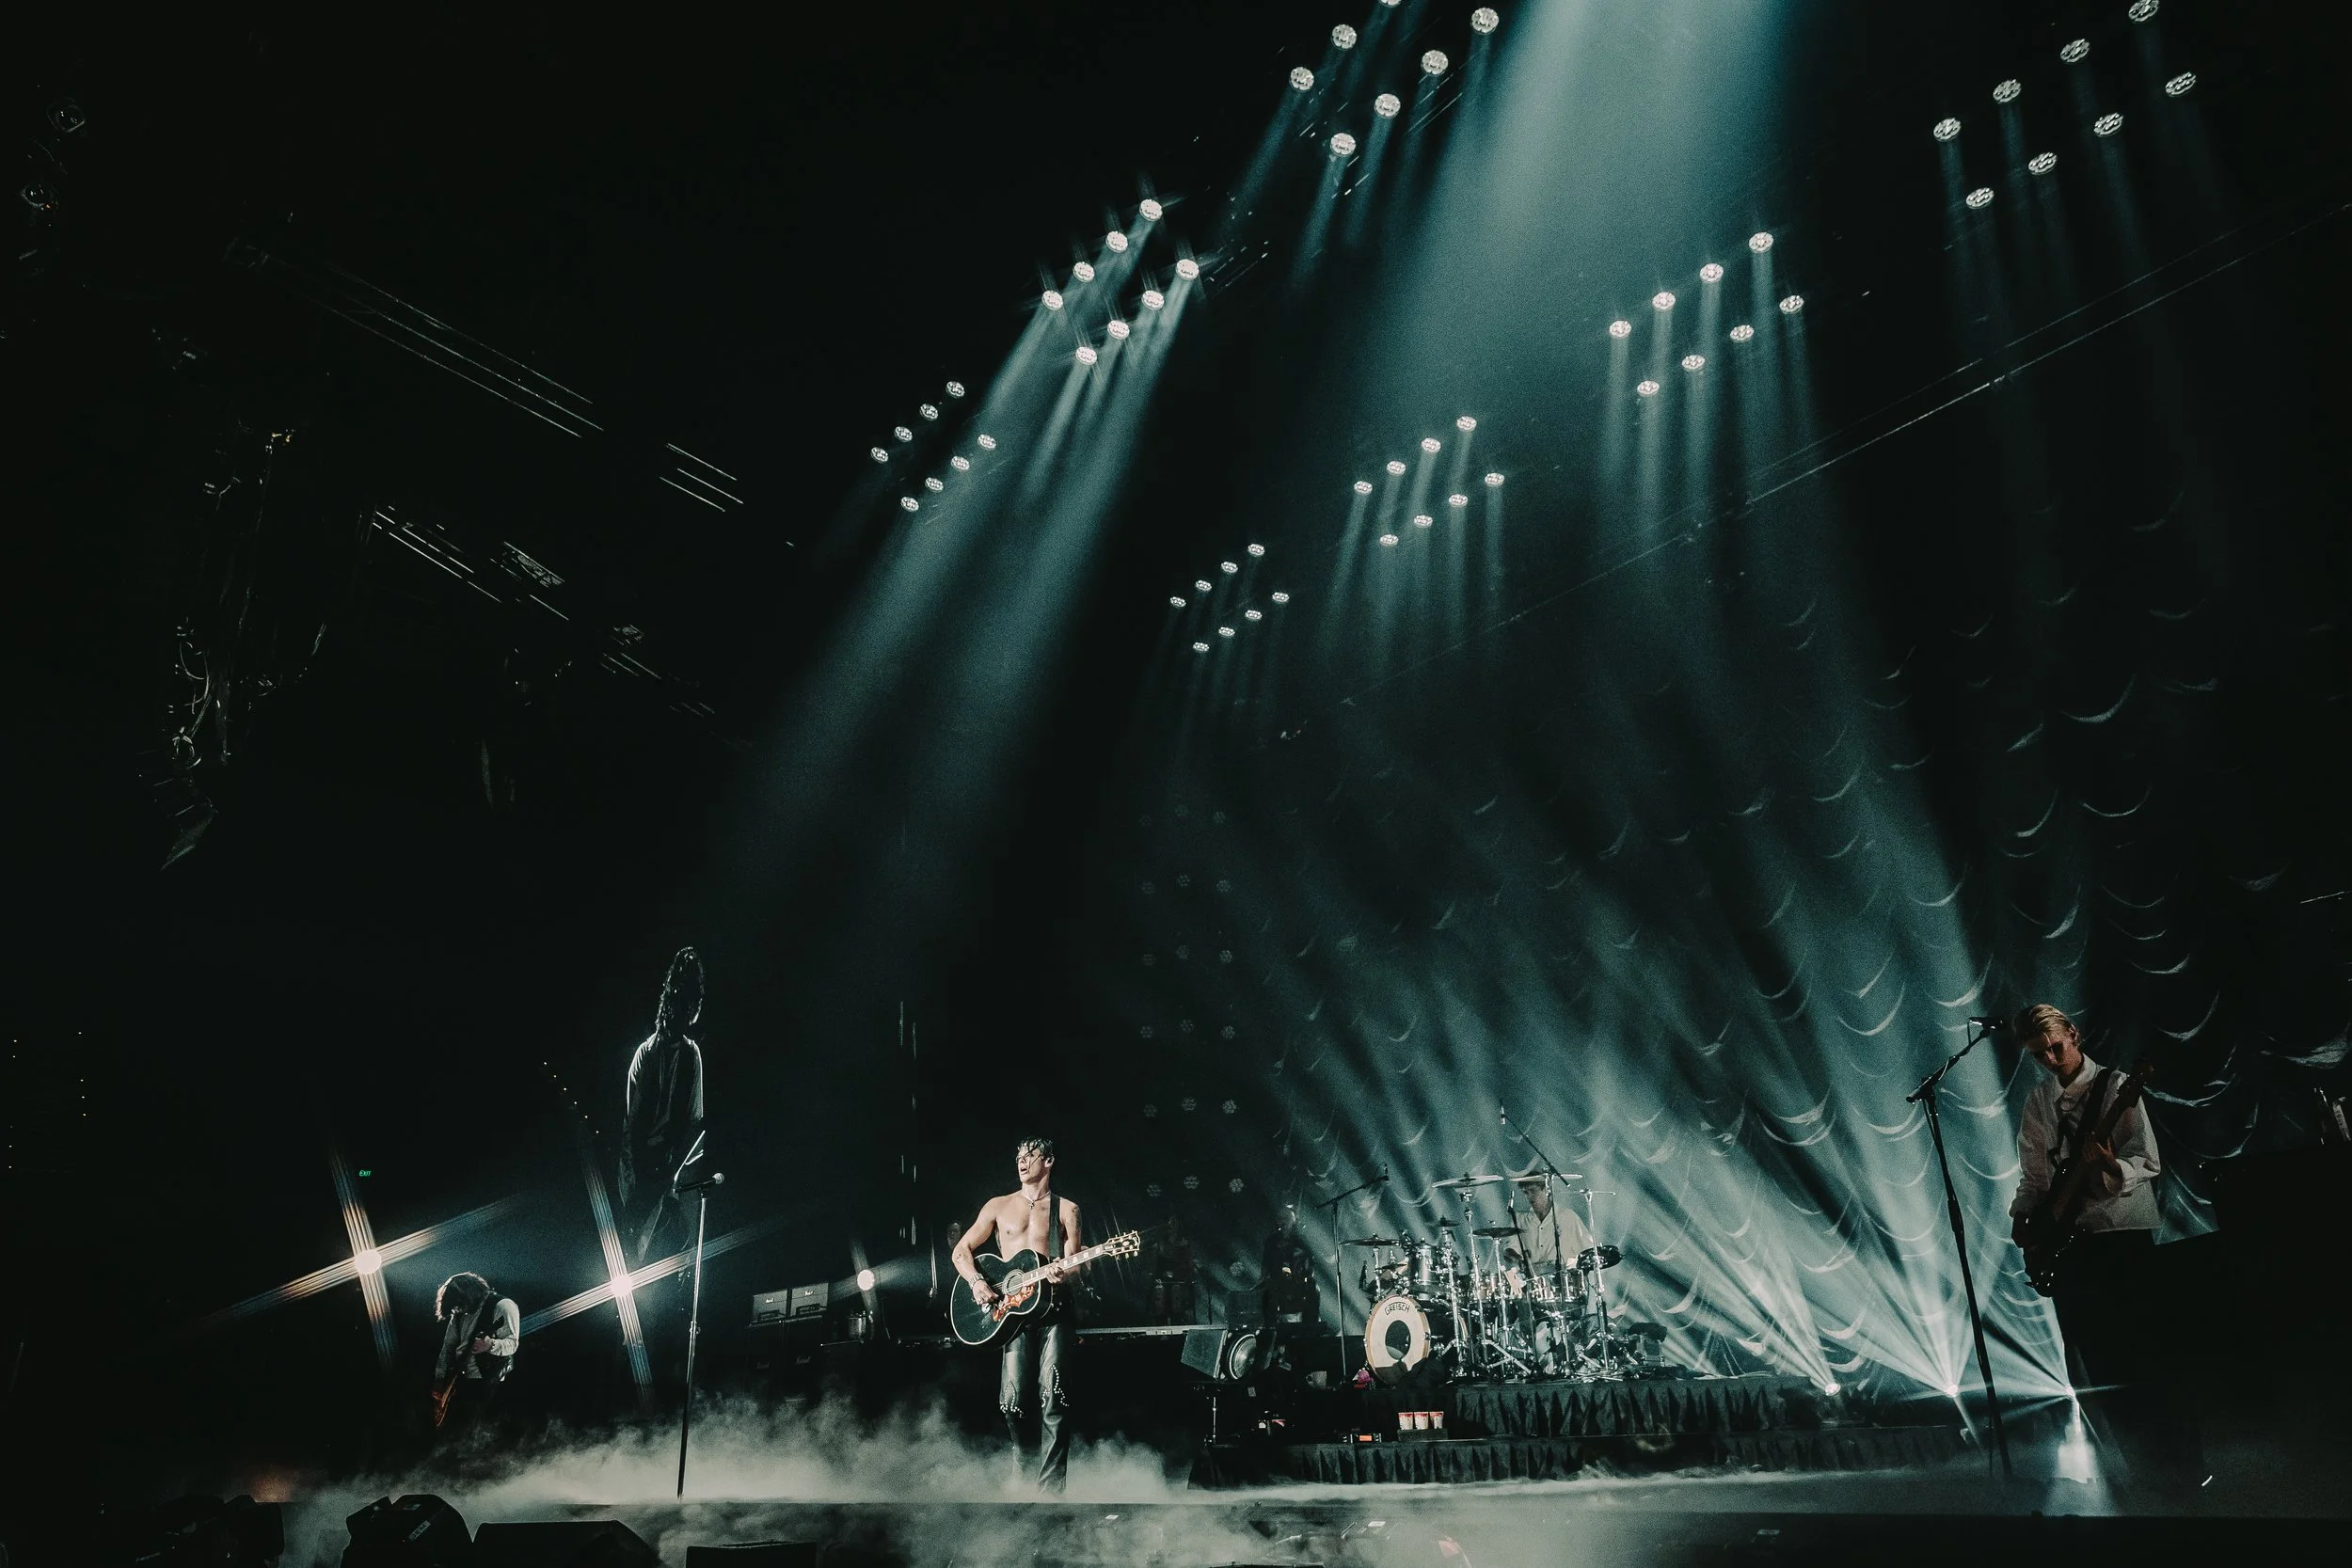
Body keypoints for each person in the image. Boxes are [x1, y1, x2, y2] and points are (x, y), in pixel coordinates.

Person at [2005, 1002, 2198, 1484]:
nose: (2050, 1060)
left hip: (2121, 1237)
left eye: (2055, 1048)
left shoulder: (2116, 1087)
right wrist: (2024, 1218)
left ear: (2073, 1034)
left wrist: (2112, 1166)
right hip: (2072, 1249)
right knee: (2097, 1366)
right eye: (2039, 1054)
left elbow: (2146, 1160)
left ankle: (2183, 1468)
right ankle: (2137, 1472)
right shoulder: (2037, 1102)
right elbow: (2034, 1177)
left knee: (2147, 1355)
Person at [952, 1137, 1081, 1493]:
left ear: (1049, 1161)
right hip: (1013, 1314)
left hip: (1054, 1309)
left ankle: (1050, 1493)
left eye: (1030, 1156)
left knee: (1054, 1396)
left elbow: (1075, 1265)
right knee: (1011, 1402)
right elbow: (961, 1251)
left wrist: (1064, 1271)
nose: (1022, 1162)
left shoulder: (1067, 1209)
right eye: (1019, 1157)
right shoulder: (998, 1206)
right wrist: (977, 1281)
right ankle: (1022, 1482)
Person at [620, 947, 707, 1265]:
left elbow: (694, 1128)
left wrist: (673, 1178)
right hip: (644, 1177)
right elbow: (631, 1131)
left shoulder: (688, 1056)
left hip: (670, 1177)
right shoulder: (647, 1055)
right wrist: (639, 1189)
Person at [433, 1272, 519, 1437]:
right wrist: (440, 1379)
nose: (457, 1309)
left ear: (469, 1295)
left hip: (491, 1381)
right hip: (463, 1382)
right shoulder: (459, 1314)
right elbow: (448, 1348)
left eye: (459, 1304)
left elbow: (512, 1343)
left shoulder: (502, 1305)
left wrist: (490, 1345)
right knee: (463, 1434)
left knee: (485, 1432)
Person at [1509, 1176, 1595, 1291]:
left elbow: (1588, 1251)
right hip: (1534, 1284)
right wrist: (1519, 1259)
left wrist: (1579, 1275)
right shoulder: (1519, 1219)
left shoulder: (1567, 1216)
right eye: (1525, 1192)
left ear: (1546, 1190)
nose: (1528, 1196)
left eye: (1533, 1191)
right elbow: (1509, 1250)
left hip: (1565, 1282)